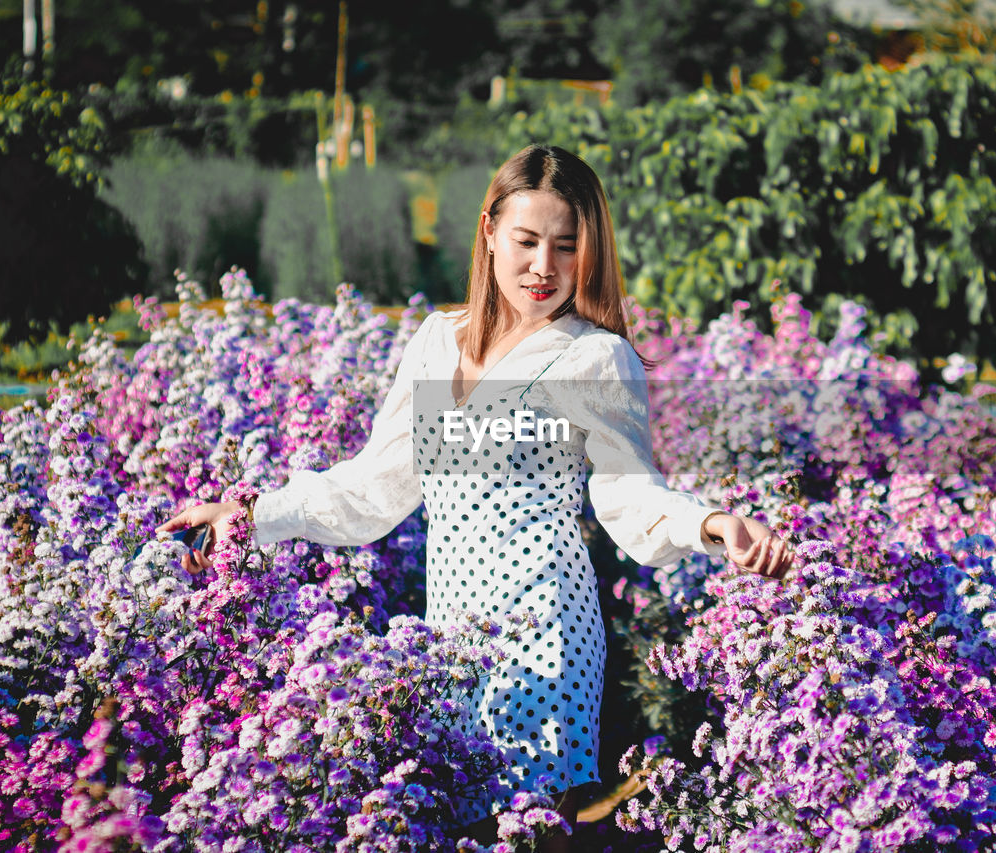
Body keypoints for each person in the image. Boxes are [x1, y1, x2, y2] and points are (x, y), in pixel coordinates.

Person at [161, 144, 792, 851]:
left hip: (546, 630)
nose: (544, 267)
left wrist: (708, 522)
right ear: (489, 230)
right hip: (450, 637)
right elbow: (375, 486)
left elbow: (628, 493)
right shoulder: (437, 341)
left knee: (531, 829)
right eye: (526, 241)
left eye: (566, 246)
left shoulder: (591, 356)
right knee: (458, 825)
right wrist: (250, 516)